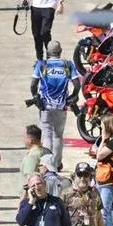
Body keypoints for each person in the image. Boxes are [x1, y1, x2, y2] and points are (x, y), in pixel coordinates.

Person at [31, 40, 80, 169]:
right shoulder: (67, 65)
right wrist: (73, 97)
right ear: (60, 51)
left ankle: (47, 164)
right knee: (58, 135)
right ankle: (57, 163)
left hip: (45, 105)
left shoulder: (42, 65)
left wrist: (36, 98)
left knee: (47, 134)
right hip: (61, 106)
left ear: (47, 52)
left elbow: (33, 84)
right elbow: (77, 84)